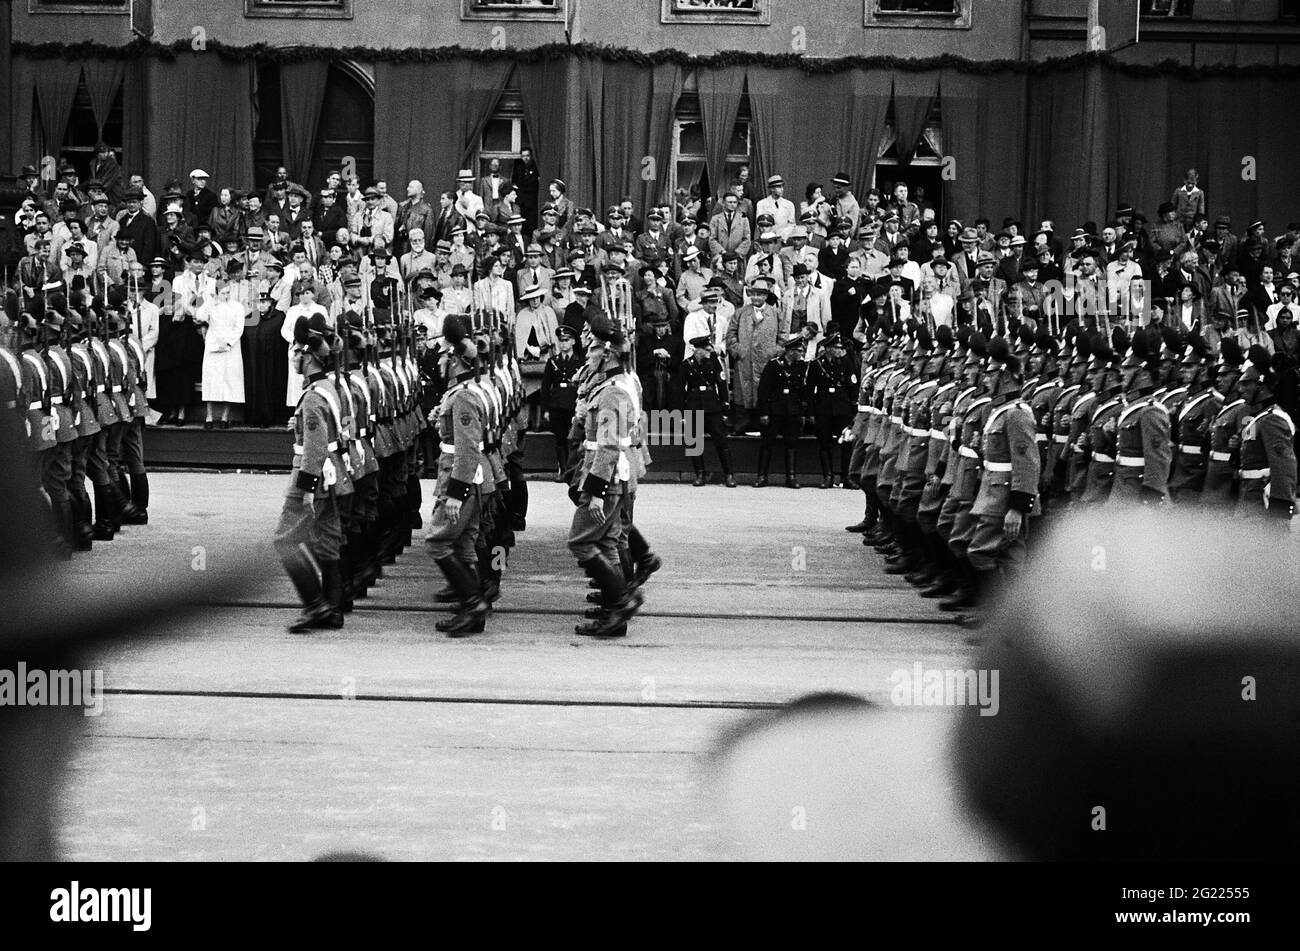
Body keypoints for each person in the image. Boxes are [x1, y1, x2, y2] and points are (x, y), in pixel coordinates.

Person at [273, 313, 354, 633]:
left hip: (314, 478)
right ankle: (332, 610)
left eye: (295, 352)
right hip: (336, 475)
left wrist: (305, 489)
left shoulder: (313, 397)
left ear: (306, 355)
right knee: (328, 540)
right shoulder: (328, 387)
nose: (292, 358)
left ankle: (314, 604)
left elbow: (315, 448)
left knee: (284, 540)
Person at [567, 313, 646, 639]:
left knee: (581, 542)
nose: (587, 355)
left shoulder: (613, 391)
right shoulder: (607, 385)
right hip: (611, 474)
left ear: (608, 353)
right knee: (608, 542)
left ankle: (622, 599)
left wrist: (596, 490)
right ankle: (615, 614)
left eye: (592, 350)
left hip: (607, 476)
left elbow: (609, 445)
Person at [424, 313, 494, 637]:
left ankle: (473, 603)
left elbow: (467, 449)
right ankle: (472, 611)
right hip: (469, 477)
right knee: (465, 545)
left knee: (438, 542)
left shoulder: (464, 395)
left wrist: (455, 493)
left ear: (453, 360)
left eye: (443, 357)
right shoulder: (464, 391)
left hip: (460, 477)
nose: (439, 364)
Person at [726, 277, 785, 434]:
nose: (756, 298)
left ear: (766, 296)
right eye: (753, 294)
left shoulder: (775, 313)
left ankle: (763, 424)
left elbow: (783, 336)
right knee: (743, 393)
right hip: (744, 361)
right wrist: (738, 350)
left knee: (764, 391)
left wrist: (774, 351)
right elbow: (730, 334)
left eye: (759, 294)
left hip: (767, 360)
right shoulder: (740, 313)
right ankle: (743, 424)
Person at [679, 333, 735, 487]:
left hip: (712, 406)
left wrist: (724, 405)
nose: (709, 352)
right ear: (698, 350)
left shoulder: (714, 362)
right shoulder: (686, 364)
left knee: (721, 441)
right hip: (694, 404)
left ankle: (728, 474)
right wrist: (683, 411)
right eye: (706, 350)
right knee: (693, 442)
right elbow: (680, 388)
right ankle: (700, 474)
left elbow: (721, 384)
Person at [754, 332, 808, 489]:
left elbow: (802, 391)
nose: (801, 354)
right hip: (775, 409)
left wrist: (802, 413)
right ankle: (762, 476)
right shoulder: (774, 365)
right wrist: (763, 412)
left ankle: (791, 477)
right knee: (767, 443)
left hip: (792, 410)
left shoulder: (800, 366)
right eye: (799, 351)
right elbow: (763, 390)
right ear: (790, 351)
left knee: (791, 443)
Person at [807, 331, 858, 488]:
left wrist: (853, 408)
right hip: (824, 408)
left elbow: (853, 385)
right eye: (836, 347)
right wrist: (810, 411)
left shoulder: (846, 363)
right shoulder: (817, 364)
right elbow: (810, 389)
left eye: (840, 347)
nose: (839, 350)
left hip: (842, 408)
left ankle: (846, 477)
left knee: (846, 443)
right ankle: (828, 476)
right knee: (825, 443)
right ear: (828, 348)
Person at [197, 279, 246, 429]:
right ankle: (209, 417)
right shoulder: (211, 305)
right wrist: (210, 300)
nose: (226, 295)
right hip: (213, 345)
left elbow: (239, 327)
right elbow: (199, 316)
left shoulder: (237, 306)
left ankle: (225, 417)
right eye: (223, 293)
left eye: (228, 292)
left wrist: (229, 342)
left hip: (231, 347)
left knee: (229, 379)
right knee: (211, 379)